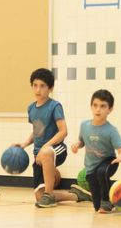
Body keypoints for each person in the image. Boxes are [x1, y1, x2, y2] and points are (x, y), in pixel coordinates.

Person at [13, 68, 90, 208]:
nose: (38, 89)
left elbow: (63, 132)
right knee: (39, 197)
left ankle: (49, 193)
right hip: (39, 155)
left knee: (47, 153)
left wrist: (46, 146)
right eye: (35, 85)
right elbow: (37, 132)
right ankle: (77, 195)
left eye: (42, 86)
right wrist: (24, 144)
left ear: (50, 88)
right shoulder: (31, 108)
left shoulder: (54, 106)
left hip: (56, 149)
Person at [70, 89, 121, 213]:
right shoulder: (84, 125)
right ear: (91, 106)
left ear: (110, 109)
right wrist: (76, 145)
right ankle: (116, 194)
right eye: (95, 105)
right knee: (97, 206)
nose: (98, 109)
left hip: (109, 162)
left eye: (102, 106)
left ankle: (107, 203)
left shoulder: (111, 130)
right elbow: (81, 142)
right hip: (91, 167)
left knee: (101, 172)